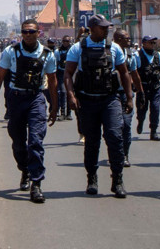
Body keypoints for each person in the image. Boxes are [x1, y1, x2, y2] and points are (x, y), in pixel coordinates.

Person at [0, 19, 58, 203]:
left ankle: (36, 183)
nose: (27, 35)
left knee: (35, 141)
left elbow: (52, 81)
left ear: (38, 33)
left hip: (36, 98)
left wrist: (54, 105)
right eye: (24, 32)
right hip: (16, 98)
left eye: (31, 32)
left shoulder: (47, 54)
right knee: (18, 143)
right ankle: (25, 169)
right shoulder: (11, 52)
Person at [64, 15, 131, 199]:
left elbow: (124, 73)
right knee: (92, 142)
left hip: (109, 99)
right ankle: (92, 178)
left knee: (115, 137)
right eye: (103, 28)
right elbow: (68, 74)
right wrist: (71, 96)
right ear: (92, 28)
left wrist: (130, 97)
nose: (106, 31)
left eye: (108, 28)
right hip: (87, 100)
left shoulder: (114, 48)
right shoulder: (78, 48)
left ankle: (117, 180)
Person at [112, 29, 142, 169]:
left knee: (126, 125)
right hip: (112, 95)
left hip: (126, 94)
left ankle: (124, 155)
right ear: (117, 39)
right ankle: (116, 152)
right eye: (125, 38)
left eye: (129, 38)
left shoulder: (131, 55)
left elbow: (135, 75)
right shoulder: (110, 53)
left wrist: (140, 92)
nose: (128, 40)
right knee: (115, 127)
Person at [135, 35, 160, 141]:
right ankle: (140, 121)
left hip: (155, 87)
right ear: (144, 43)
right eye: (150, 42)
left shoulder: (158, 55)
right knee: (142, 109)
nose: (152, 45)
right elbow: (135, 72)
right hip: (142, 87)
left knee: (155, 109)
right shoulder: (137, 55)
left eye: (153, 43)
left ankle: (153, 131)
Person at [54, 36, 72, 121]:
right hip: (61, 74)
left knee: (69, 93)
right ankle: (62, 113)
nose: (66, 43)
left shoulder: (72, 51)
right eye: (64, 41)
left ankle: (68, 113)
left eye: (67, 41)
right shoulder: (58, 51)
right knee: (63, 92)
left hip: (70, 74)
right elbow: (55, 64)